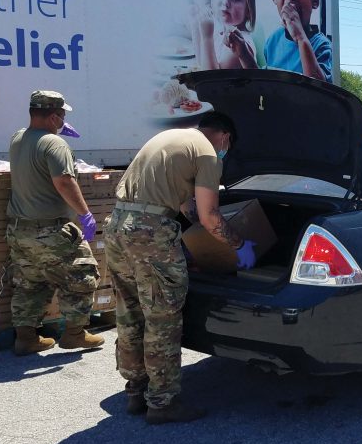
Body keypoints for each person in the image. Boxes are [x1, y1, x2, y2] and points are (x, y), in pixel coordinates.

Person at [103, 112, 256, 424]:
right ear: (225, 136)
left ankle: (136, 391)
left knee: (130, 312)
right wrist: (240, 245)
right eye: (228, 147)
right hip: (150, 232)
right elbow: (211, 216)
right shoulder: (208, 154)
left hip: (118, 225)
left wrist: (203, 241)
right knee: (162, 317)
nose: (225, 152)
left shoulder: (170, 139)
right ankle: (162, 403)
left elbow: (187, 207)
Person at [6, 91, 103, 357]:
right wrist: (84, 214)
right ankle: (74, 334)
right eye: (62, 116)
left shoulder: (17, 138)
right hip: (50, 230)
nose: (63, 121)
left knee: (30, 282)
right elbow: (64, 181)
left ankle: (26, 338)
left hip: (19, 229)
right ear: (53, 116)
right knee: (83, 275)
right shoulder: (55, 144)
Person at [191, 0, 258, 70]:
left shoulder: (238, 44)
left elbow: (211, 81)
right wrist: (196, 28)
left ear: (248, 9)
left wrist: (207, 37)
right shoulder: (221, 32)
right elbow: (202, 63)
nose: (225, 2)